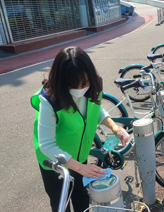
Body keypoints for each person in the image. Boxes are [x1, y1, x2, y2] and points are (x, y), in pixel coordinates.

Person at [32, 46, 131, 212]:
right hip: (56, 163)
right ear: (61, 81)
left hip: (80, 155)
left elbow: (96, 109)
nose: (80, 90)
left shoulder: (94, 84)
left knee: (81, 196)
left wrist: (115, 127)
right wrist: (79, 167)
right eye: (72, 85)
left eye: (84, 84)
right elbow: (47, 145)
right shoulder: (49, 101)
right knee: (61, 203)